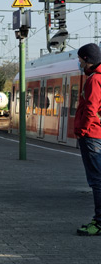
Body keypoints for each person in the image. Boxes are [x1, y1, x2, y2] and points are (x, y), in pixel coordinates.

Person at [75, 43, 101, 236]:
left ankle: (99, 222)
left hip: (92, 135)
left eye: (80, 60)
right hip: (97, 133)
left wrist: (82, 130)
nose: (79, 63)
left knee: (97, 180)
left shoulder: (94, 80)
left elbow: (91, 109)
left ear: (87, 60)